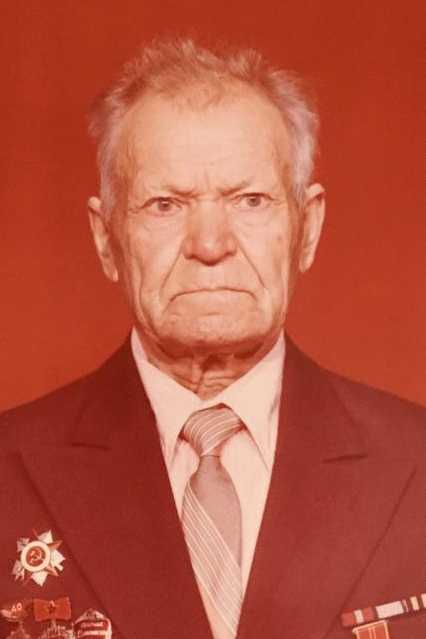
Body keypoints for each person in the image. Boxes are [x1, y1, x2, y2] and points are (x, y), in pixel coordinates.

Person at [0, 37, 425, 639]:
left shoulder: (415, 460)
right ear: (105, 238)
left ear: (307, 229)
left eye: (250, 200)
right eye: (165, 205)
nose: (209, 243)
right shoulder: (9, 469)